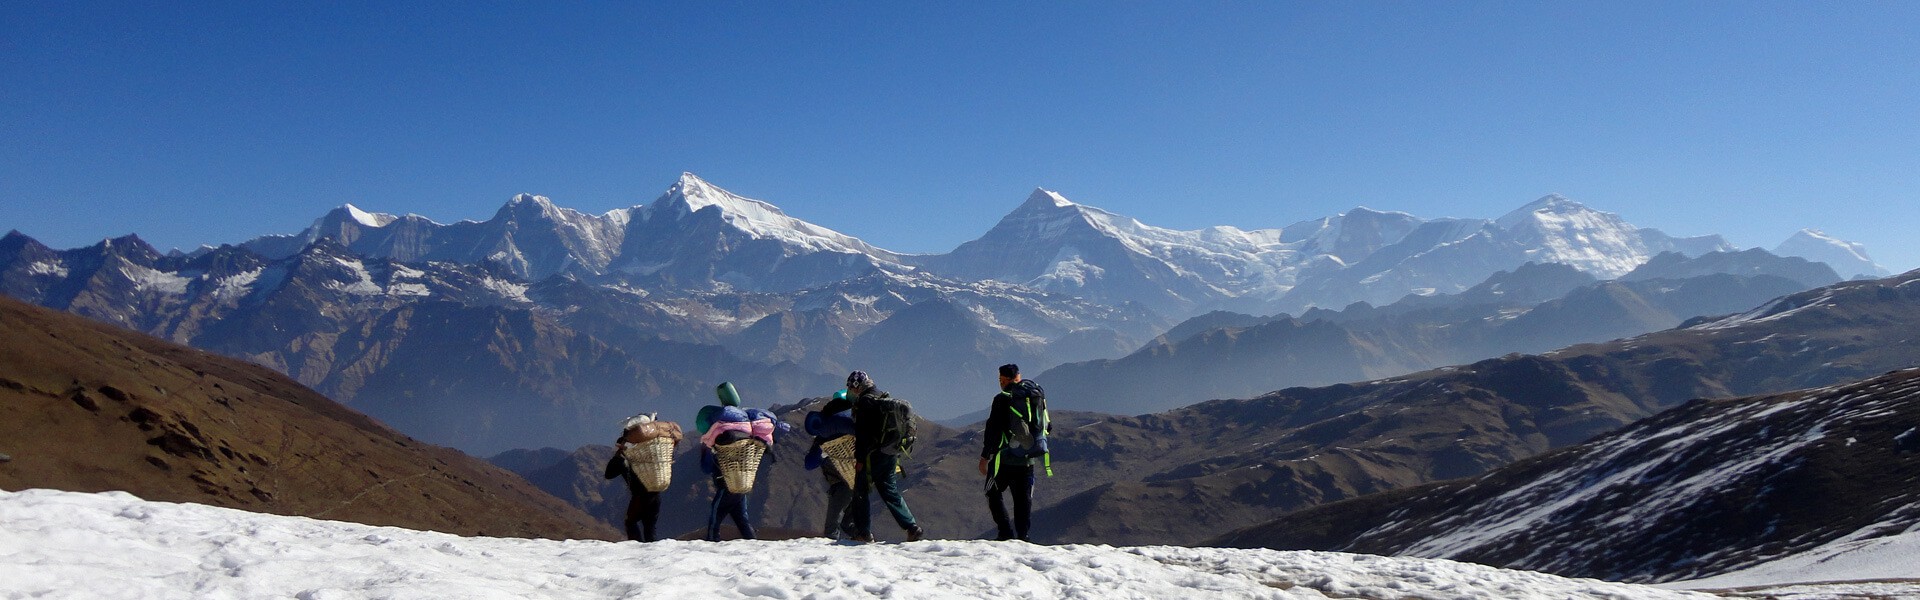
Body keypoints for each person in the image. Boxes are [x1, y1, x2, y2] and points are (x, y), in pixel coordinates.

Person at [823, 370, 925, 543]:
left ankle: (863, 532)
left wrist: (860, 459)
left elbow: (863, 434)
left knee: (860, 492)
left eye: (850, 387)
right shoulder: (880, 396)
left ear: (856, 386)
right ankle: (911, 527)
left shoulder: (865, 402)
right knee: (889, 490)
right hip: (891, 451)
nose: (849, 391)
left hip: (872, 454)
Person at [697, 382, 781, 541]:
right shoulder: (748, 434)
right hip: (741, 486)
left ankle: (710, 544)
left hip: (725, 486)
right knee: (742, 519)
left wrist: (705, 449)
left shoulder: (719, 441)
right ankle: (754, 544)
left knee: (715, 518)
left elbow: (706, 468)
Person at [979, 363, 1049, 542]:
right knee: (1023, 501)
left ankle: (1005, 533)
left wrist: (985, 457)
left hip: (1004, 459)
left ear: (1003, 380)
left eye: (1000, 380)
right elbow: (1047, 426)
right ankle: (1023, 537)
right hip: (1027, 460)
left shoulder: (1001, 399)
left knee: (992, 492)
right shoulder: (1035, 396)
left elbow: (992, 430)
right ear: (1019, 376)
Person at [606, 413, 680, 542]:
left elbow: (609, 474)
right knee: (650, 527)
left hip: (640, 496)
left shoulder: (625, 459)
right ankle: (651, 554)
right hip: (655, 494)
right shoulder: (648, 453)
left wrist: (618, 455)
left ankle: (637, 550)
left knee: (630, 522)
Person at [805, 391, 858, 539]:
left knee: (831, 530)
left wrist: (823, 452)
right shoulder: (857, 430)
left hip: (842, 487)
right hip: (861, 484)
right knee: (849, 525)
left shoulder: (824, 437)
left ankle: (834, 559)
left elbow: (809, 464)